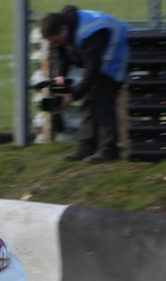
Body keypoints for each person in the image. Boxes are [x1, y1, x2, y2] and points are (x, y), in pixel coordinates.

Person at [41, 5, 129, 164]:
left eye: (57, 39)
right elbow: (59, 54)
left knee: (103, 99)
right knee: (89, 99)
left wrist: (72, 95)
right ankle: (86, 146)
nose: (57, 43)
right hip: (99, 59)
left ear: (63, 28)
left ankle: (108, 150)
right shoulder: (62, 30)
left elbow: (92, 70)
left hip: (116, 54)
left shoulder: (88, 32)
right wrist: (59, 76)